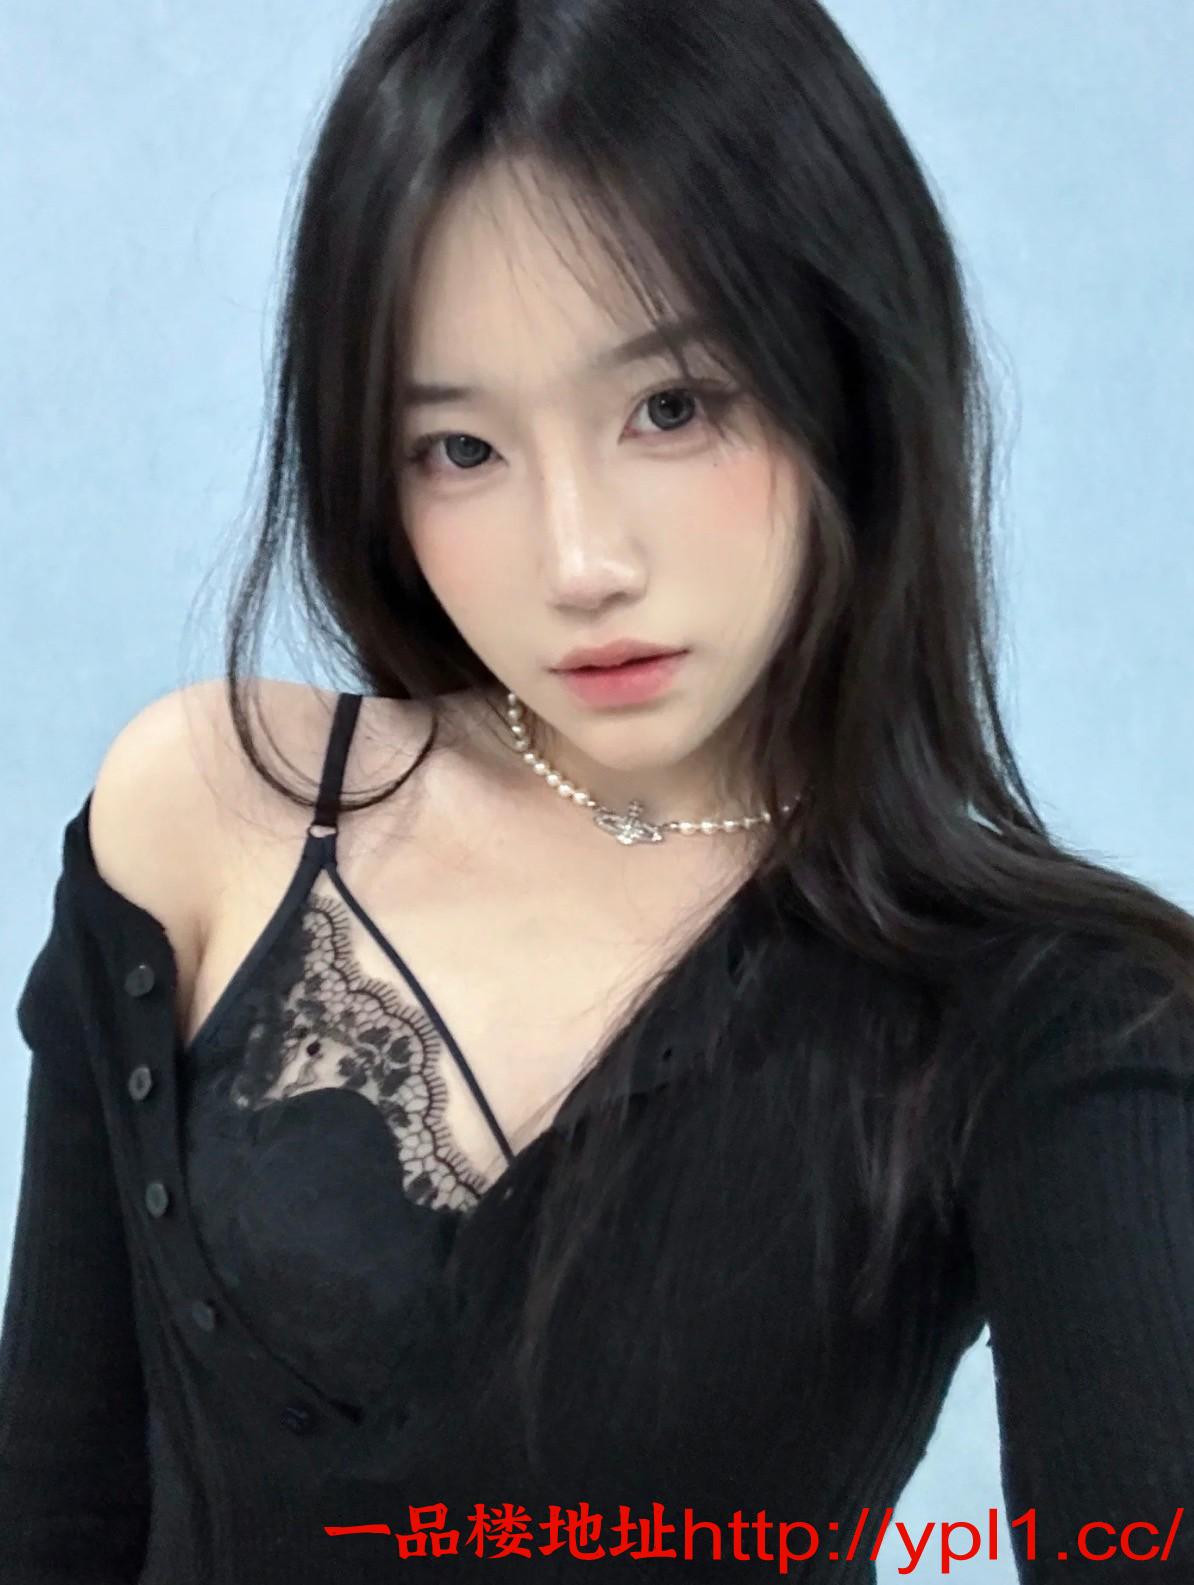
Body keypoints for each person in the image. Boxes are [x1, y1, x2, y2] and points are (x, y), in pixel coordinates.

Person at [3, 0, 1193, 1580]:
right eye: (458, 449)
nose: (578, 561)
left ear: (849, 378)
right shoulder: (213, 809)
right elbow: (53, 1510)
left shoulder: (1050, 1014)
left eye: (671, 407)